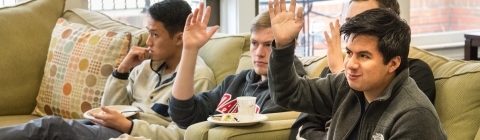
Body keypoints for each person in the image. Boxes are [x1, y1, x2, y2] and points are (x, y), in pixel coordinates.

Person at [0, 0, 215, 140]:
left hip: (131, 136)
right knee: (47, 129)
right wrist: (122, 71)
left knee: (48, 128)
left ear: (180, 38)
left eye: (155, 35)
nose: (148, 41)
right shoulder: (147, 66)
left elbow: (185, 135)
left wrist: (130, 127)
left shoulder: (198, 78)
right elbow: (111, 107)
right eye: (147, 32)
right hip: (118, 129)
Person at [267, 0, 447, 139]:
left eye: (364, 56)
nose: (350, 64)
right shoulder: (344, 85)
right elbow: (288, 93)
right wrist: (283, 46)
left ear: (393, 64)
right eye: (349, 53)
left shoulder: (414, 115)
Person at [168, 8, 308, 128]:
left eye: (268, 45)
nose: (259, 53)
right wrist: (189, 49)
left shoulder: (290, 92)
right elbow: (183, 115)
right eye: (254, 43)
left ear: (290, 46)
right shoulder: (236, 81)